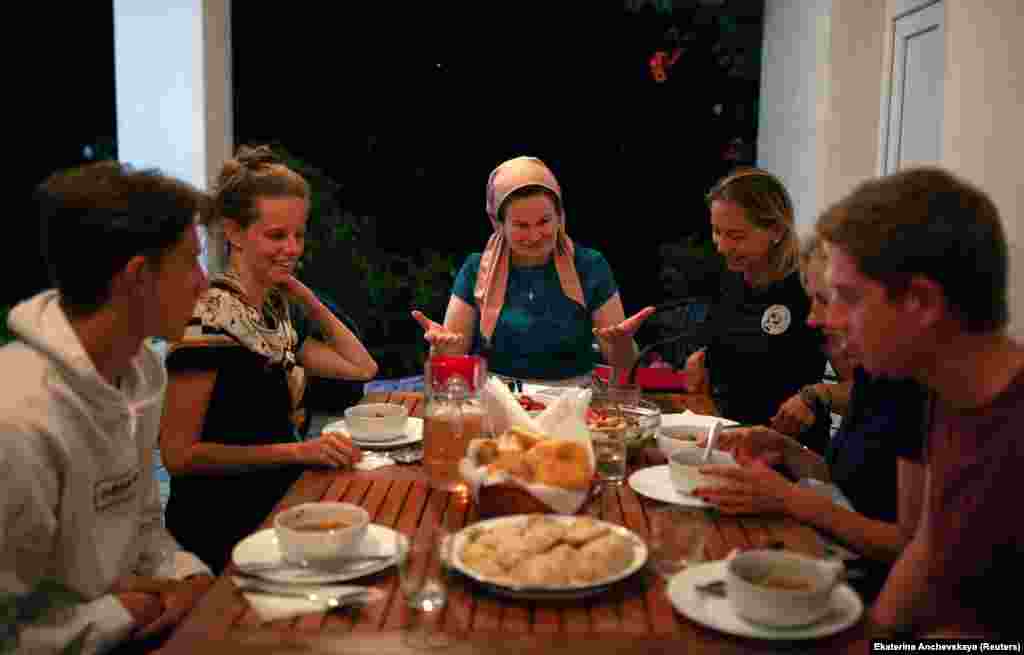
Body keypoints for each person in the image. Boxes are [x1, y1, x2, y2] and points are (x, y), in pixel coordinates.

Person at [0, 162, 214, 654]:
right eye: (190, 261)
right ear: (136, 277)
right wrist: (115, 615)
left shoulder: (137, 375)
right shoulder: (20, 419)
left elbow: (142, 528)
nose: (203, 283)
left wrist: (190, 577)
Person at [816, 167, 1023, 636]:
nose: (832, 318)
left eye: (848, 298)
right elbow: (927, 543)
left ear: (922, 302)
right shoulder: (948, 391)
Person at [159, 146, 377, 572]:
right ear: (235, 233)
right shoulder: (207, 318)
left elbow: (361, 367)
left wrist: (305, 295)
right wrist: (299, 452)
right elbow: (178, 455)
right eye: (277, 236)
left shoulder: (275, 315)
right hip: (222, 530)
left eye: (298, 234)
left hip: (279, 510)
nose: (292, 247)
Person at [694, 235, 929, 601]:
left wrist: (788, 498)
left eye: (823, 300)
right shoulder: (874, 372)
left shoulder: (920, 389)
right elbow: (849, 485)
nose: (813, 319)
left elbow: (908, 546)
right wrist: (784, 448)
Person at [412, 156, 654, 385]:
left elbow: (623, 364)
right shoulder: (475, 269)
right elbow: (450, 359)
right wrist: (440, 348)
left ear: (560, 216)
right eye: (520, 225)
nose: (534, 235)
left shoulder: (590, 265)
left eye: (544, 221)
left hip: (574, 402)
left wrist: (622, 344)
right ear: (498, 223)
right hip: (498, 398)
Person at [684, 168, 827, 424]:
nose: (723, 246)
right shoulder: (728, 278)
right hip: (725, 435)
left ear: (776, 231)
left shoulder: (809, 288)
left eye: (736, 236)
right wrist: (700, 364)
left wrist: (814, 396)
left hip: (786, 450)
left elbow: (860, 387)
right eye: (717, 232)